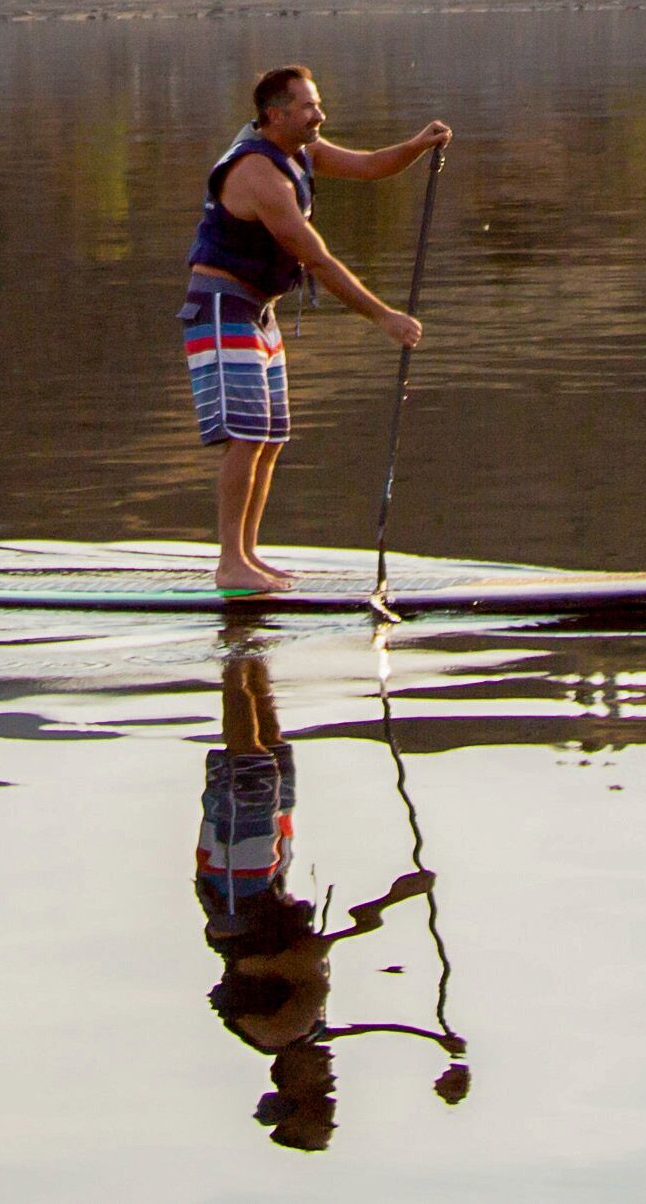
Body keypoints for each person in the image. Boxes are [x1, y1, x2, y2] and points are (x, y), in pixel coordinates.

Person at [184, 63, 449, 595]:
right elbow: (319, 261)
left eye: (317, 104)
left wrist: (420, 145)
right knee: (246, 436)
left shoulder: (302, 151)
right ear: (275, 115)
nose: (319, 115)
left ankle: (249, 555)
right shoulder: (257, 174)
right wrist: (385, 317)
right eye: (307, 107)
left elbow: (372, 166)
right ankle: (229, 562)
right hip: (221, 307)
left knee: (271, 438)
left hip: (259, 310)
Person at [194, 646, 438, 1150]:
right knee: (276, 761)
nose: (332, 1084)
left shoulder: (283, 1028)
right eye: (332, 1100)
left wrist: (388, 904)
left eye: (321, 1098)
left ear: (290, 1089)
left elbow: (305, 958)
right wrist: (441, 1047)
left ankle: (234, 653)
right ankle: (253, 658)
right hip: (268, 890)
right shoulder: (305, 1033)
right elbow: (353, 1008)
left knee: (252, 769)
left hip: (240, 892)